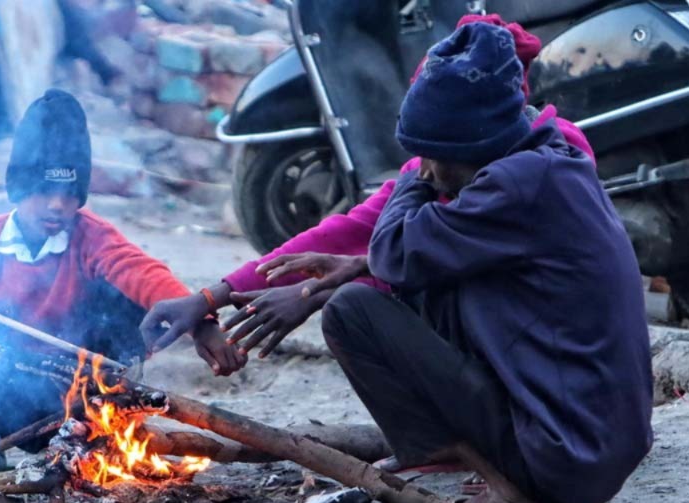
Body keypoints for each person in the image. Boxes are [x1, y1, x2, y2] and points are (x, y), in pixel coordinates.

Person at [321, 22, 652, 503]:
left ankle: (494, 474)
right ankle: (487, 459)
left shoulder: (518, 184)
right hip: (591, 448)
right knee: (433, 283)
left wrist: (415, 176)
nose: (429, 171)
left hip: (563, 458)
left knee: (352, 310)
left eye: (432, 156)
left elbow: (389, 253)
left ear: (471, 145)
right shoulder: (548, 161)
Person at [139, 14, 594, 361]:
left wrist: (313, 295)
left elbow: (429, 263)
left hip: (558, 380)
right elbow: (349, 231)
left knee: (368, 305)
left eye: (435, 150)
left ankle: (472, 443)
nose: (423, 169)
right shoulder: (450, 163)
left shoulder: (537, 176)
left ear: (475, 131)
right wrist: (209, 297)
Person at [0, 89, 245, 474]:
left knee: (126, 294)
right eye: (44, 191)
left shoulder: (92, 237)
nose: (57, 205)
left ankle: (105, 438)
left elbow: (145, 274)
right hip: (7, 394)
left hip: (79, 395)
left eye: (68, 194)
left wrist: (201, 321)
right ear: (18, 189)